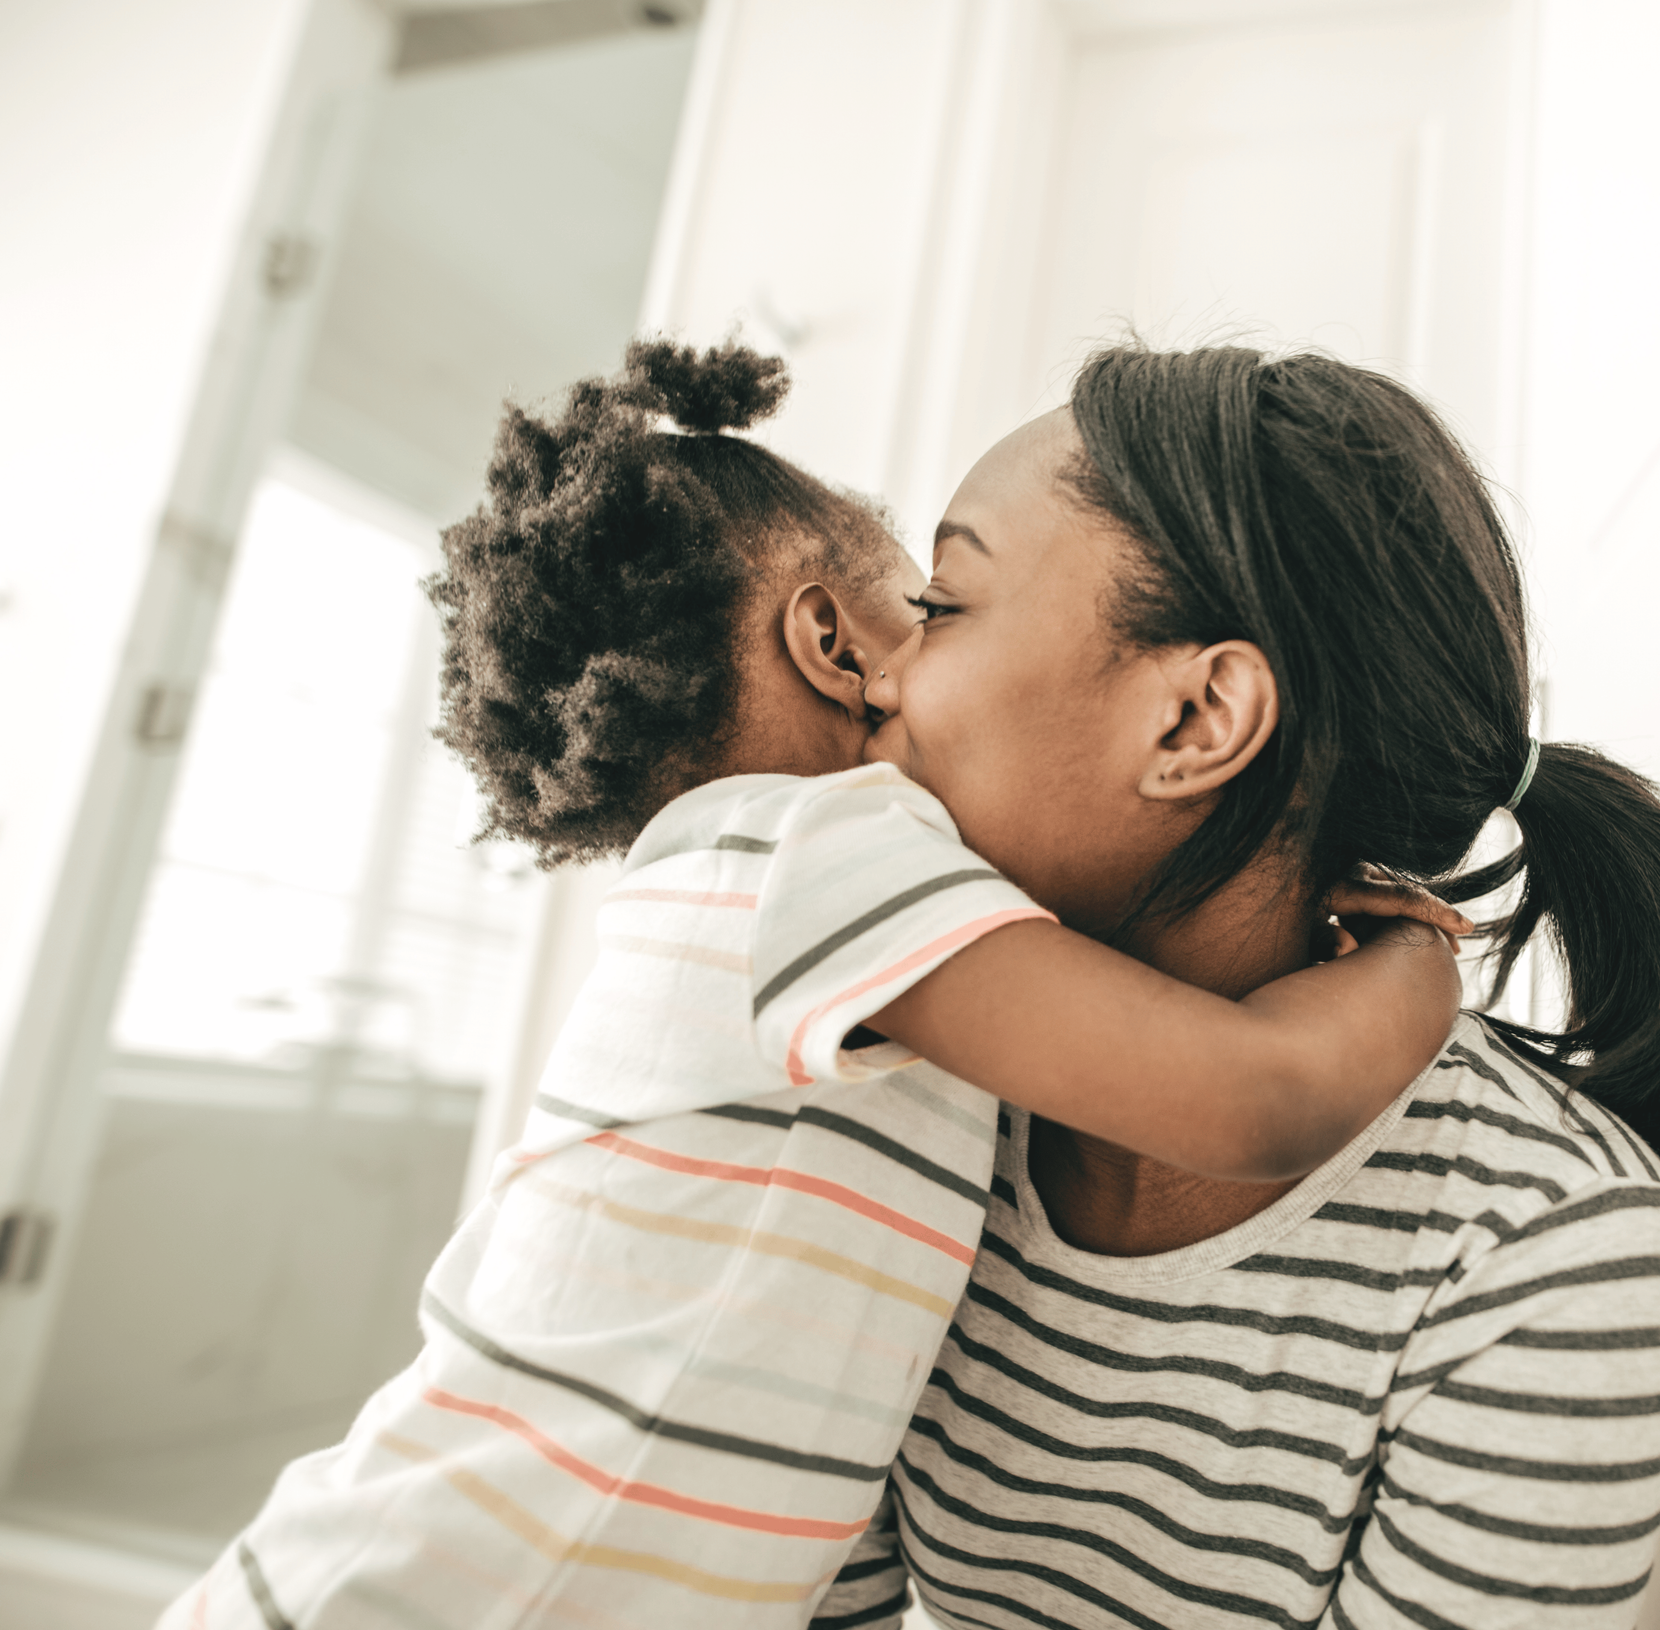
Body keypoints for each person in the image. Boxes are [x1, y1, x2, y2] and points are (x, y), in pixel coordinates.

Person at [160, 341, 1469, 1630]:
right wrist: (1419, 958)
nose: (916, 659)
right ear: (839, 646)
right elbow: (1258, 1098)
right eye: (931, 603)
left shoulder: (773, 904)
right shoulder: (818, 850)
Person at [811, 343, 1660, 1630]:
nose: (878, 677)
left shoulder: (1549, 1243)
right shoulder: (885, 1084)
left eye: (940, 606)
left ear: (1197, 721)